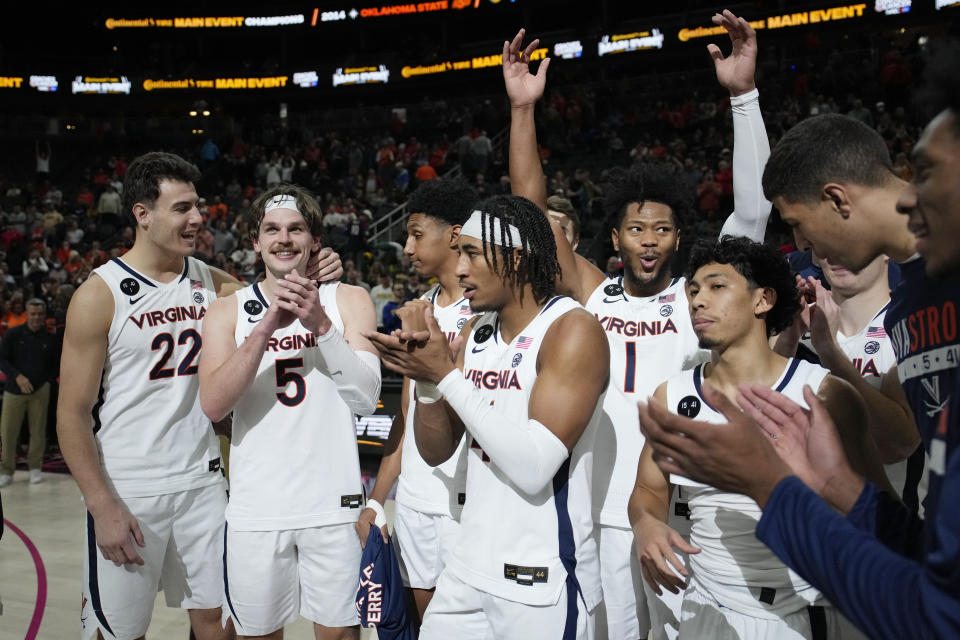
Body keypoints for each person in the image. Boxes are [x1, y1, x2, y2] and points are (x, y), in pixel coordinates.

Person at [638, 42, 960, 638]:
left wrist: (768, 484)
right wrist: (840, 490)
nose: (910, 195)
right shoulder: (911, 303)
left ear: (835, 198)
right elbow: (935, 572)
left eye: (931, 172)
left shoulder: (830, 382)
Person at [502, 14, 773, 638]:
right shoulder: (592, 292)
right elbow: (530, 209)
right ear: (616, 236)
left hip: (677, 509)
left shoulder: (696, 297)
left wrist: (743, 96)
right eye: (636, 229)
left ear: (679, 238)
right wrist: (523, 110)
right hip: (598, 513)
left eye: (662, 230)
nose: (648, 242)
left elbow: (753, 215)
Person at [56, 152, 342, 640]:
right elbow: (72, 415)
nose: (197, 219)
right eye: (182, 208)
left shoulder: (212, 282)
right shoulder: (100, 295)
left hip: (203, 483)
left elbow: (275, 294)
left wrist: (318, 266)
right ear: (142, 215)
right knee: (119, 632)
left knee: (220, 624)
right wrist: (102, 506)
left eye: (198, 206)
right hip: (130, 487)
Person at [367, 195, 608, 638]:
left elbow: (534, 467)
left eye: (472, 254)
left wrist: (446, 376)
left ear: (516, 259)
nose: (459, 270)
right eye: (458, 253)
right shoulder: (475, 332)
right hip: (466, 564)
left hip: (539, 577)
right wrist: (427, 381)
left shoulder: (573, 330)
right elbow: (437, 450)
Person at [632, 237, 891, 638]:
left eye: (717, 287)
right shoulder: (673, 395)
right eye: (694, 290)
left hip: (801, 612)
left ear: (763, 300)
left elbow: (880, 509)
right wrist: (646, 525)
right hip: (704, 606)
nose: (699, 301)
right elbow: (648, 490)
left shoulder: (825, 394)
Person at [198, 185, 380, 639]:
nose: (284, 239)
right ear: (255, 241)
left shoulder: (349, 299)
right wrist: (266, 328)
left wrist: (319, 324)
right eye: (272, 229)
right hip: (257, 507)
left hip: (333, 506)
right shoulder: (227, 311)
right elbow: (214, 404)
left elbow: (364, 398)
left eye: (296, 229)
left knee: (339, 634)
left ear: (315, 240)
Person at [356, 178, 478, 624]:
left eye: (416, 234)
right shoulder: (418, 309)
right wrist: (378, 500)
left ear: (454, 234)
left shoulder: (487, 310)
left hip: (469, 502)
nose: (407, 247)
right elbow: (405, 417)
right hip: (416, 500)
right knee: (424, 625)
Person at [774, 255, 917, 499]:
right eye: (827, 242)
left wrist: (829, 352)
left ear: (885, 250)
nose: (839, 251)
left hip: (881, 527)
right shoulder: (792, 330)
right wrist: (786, 345)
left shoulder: (911, 325)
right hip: (805, 525)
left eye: (852, 237)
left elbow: (897, 445)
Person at [0, 299, 59, 486]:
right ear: (27, 314)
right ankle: (6, 471)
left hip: (40, 391)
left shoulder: (50, 339)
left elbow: (55, 365)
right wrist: (17, 377)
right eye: (33, 314)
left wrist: (46, 382)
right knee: (8, 432)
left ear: (44, 316)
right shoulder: (13, 334)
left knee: (38, 431)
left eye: (40, 314)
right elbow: (2, 360)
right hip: (13, 390)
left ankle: (35, 468)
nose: (36, 317)